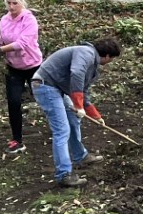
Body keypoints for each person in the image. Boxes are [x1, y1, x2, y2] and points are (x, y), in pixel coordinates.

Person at [31, 38, 120, 188]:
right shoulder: (86, 52)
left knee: (73, 120)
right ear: (107, 56)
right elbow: (76, 73)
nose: (110, 62)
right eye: (112, 59)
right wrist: (78, 105)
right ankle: (64, 174)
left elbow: (84, 91)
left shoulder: (91, 63)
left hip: (57, 88)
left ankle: (81, 156)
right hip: (46, 86)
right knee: (62, 130)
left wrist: (96, 116)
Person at [0, 0, 42, 156]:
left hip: (33, 66)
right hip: (13, 67)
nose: (11, 6)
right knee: (13, 102)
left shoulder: (30, 20)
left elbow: (22, 43)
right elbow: (2, 39)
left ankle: (61, 127)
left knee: (44, 98)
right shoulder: (4, 20)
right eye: (8, 3)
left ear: (22, 3)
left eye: (15, 3)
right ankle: (17, 140)